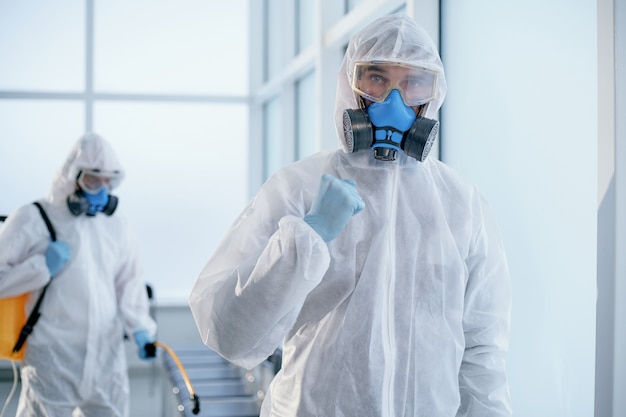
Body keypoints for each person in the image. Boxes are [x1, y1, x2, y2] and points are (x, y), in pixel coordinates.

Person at [189, 13, 511, 417]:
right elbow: (228, 333)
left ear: (433, 94)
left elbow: (482, 353)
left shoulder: (463, 207)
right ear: (350, 85)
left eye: (412, 82)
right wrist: (307, 236)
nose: (394, 102)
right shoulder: (298, 188)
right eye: (376, 78)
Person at [0, 132, 157, 417]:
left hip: (106, 359)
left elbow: (129, 281)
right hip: (52, 358)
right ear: (71, 176)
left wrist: (141, 328)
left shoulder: (117, 225)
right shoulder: (33, 218)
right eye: (93, 180)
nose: (101, 189)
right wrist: (40, 268)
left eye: (108, 181)